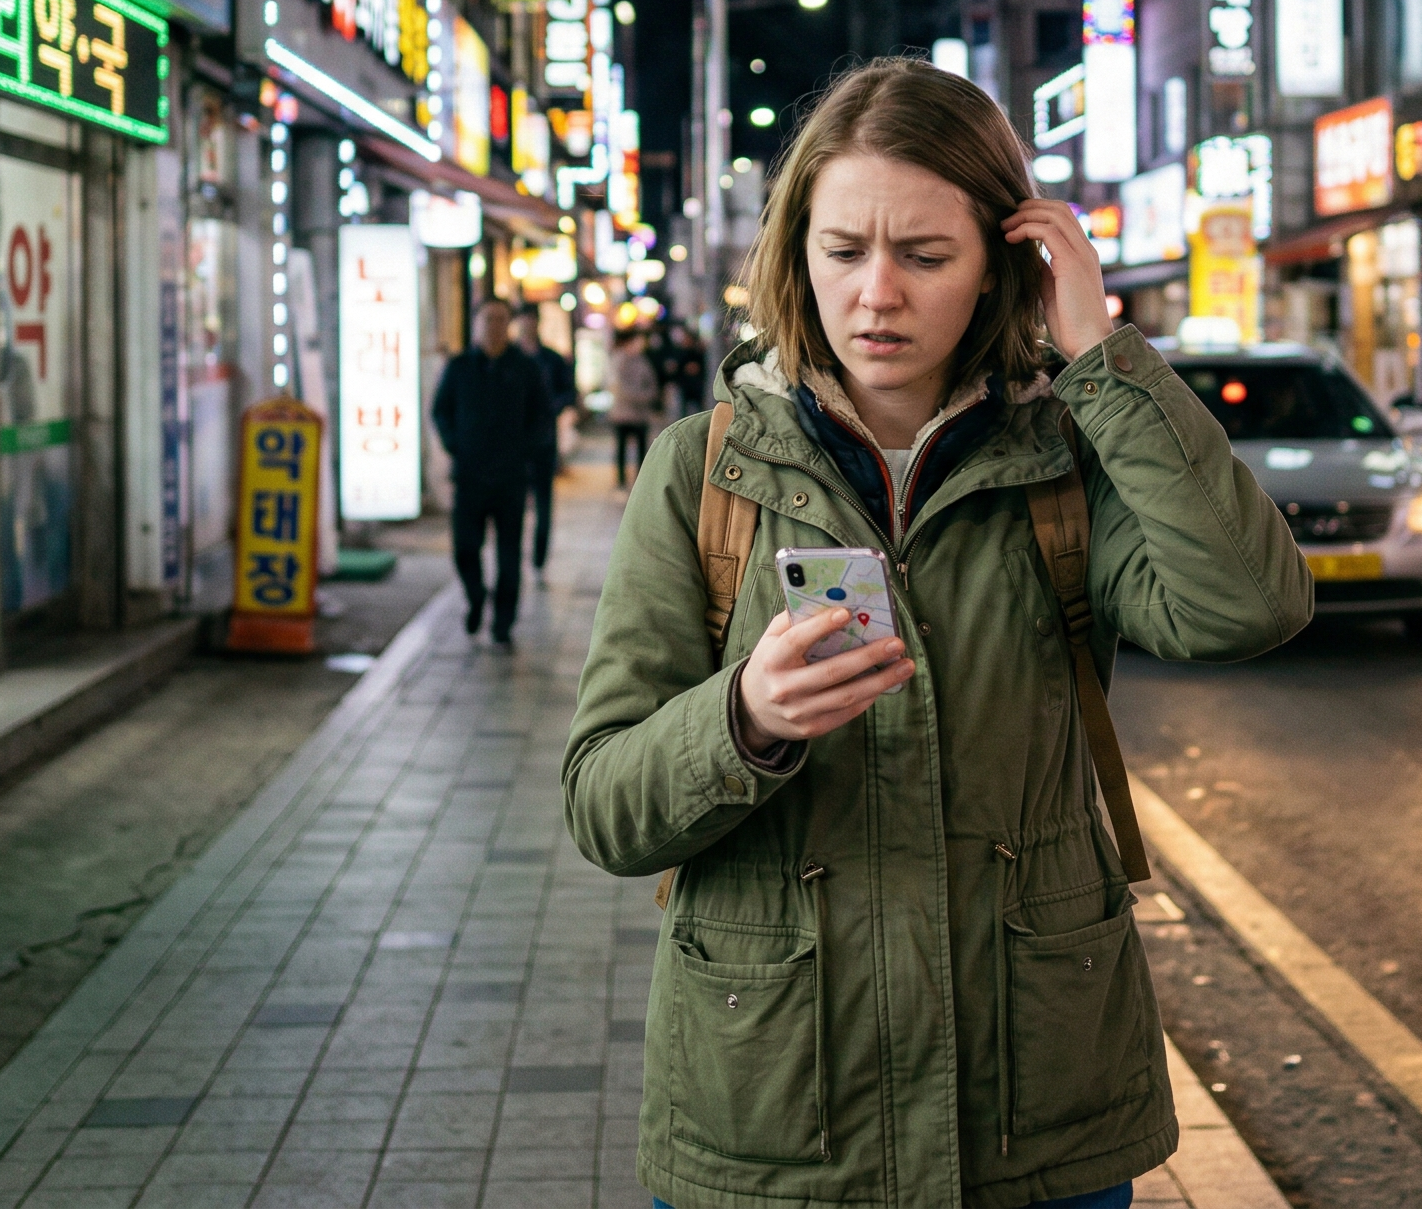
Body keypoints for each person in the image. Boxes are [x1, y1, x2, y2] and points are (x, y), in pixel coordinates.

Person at [563, 58, 1313, 1209]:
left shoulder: (1066, 457)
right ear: (796, 254)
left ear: (1001, 264)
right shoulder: (701, 470)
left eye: (925, 256)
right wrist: (744, 720)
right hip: (773, 1119)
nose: (877, 295)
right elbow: (604, 804)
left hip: (1034, 1119)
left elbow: (1249, 604)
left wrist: (1103, 358)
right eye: (843, 250)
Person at [431, 301, 549, 646]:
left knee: (509, 552)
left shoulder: (525, 368)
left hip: (511, 477)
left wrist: (524, 451)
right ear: (476, 323)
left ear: (508, 324)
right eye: (488, 319)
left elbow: (541, 417)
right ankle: (475, 597)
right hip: (469, 475)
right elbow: (440, 411)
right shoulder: (460, 367)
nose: (494, 325)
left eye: (501, 319)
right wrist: (456, 445)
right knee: (465, 547)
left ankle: (503, 620)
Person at [511, 307, 578, 573]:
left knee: (542, 502)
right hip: (512, 446)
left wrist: (549, 407)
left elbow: (568, 392)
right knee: (512, 505)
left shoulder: (551, 359)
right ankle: (513, 554)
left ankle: (539, 552)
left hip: (542, 441)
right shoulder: (510, 357)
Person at [607, 330, 661, 488]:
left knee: (641, 448)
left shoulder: (643, 360)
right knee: (621, 447)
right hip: (622, 413)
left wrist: (647, 396)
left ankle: (641, 477)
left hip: (640, 414)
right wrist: (642, 397)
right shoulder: (619, 360)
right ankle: (621, 478)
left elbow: (652, 383)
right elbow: (620, 388)